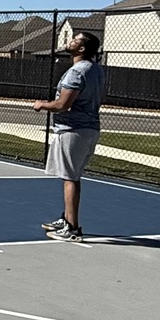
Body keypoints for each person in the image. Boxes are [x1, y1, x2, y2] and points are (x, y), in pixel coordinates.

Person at [32, 30, 106, 242]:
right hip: (89, 128)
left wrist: (41, 105)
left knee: (70, 179)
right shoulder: (96, 70)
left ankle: (72, 229)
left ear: (81, 48)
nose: (69, 41)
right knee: (72, 176)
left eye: (74, 40)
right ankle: (67, 219)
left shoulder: (77, 72)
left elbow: (63, 105)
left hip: (73, 130)